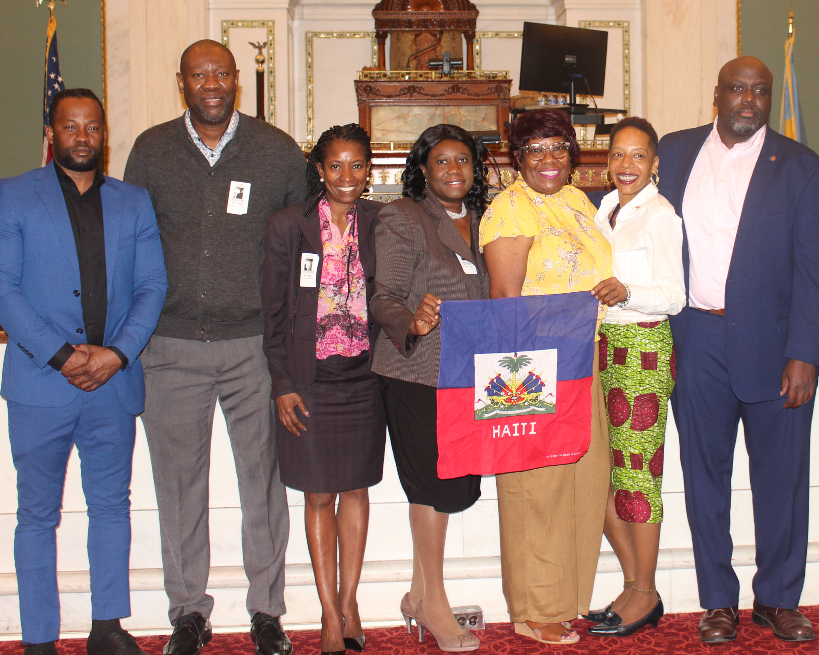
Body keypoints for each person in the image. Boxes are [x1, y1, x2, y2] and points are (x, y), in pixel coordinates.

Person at [123, 39, 308, 655]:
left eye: (221, 72)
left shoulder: (276, 151)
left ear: (236, 79)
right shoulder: (151, 151)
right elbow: (132, 245)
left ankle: (267, 612)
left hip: (253, 347)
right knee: (179, 487)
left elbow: (299, 251)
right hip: (170, 347)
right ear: (182, 82)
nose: (211, 83)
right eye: (199, 74)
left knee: (264, 482)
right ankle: (188, 613)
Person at [0, 88, 168, 655]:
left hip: (113, 384)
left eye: (92, 127)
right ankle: (39, 638)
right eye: (71, 127)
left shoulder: (133, 201)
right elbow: (0, 290)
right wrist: (63, 355)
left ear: (103, 134)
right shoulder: (14, 196)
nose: (82, 136)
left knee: (112, 507)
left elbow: (151, 286)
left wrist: (117, 354)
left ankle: (107, 627)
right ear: (52, 133)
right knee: (37, 514)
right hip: (41, 385)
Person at [657, 56, 819, 644]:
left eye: (760, 91)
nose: (749, 100)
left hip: (778, 344)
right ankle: (718, 601)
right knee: (704, 473)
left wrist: (806, 352)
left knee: (781, 477)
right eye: (738, 89)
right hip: (695, 338)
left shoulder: (803, 167)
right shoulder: (675, 153)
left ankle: (778, 598)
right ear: (718, 94)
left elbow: (817, 271)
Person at [480, 108, 612, 646]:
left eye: (558, 146)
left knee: (581, 481)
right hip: (531, 363)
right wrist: (530, 379)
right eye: (535, 149)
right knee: (537, 488)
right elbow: (506, 303)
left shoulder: (578, 202)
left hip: (585, 358)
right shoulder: (511, 207)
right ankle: (535, 607)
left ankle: (564, 598)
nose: (549, 159)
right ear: (517, 157)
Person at [261, 124, 385, 655]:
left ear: (369, 171)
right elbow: (272, 316)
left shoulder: (382, 222)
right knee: (318, 495)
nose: (347, 177)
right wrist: (282, 384)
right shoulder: (289, 226)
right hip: (308, 381)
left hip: (364, 377)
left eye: (357, 165)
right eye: (335, 166)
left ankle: (351, 600)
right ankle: (328, 614)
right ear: (319, 170)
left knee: (356, 490)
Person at [371, 124, 491, 653]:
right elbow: (386, 295)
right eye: (441, 162)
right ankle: (436, 603)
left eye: (462, 161)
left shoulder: (489, 220)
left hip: (474, 375)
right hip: (419, 372)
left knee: (456, 487)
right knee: (433, 486)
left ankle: (418, 595)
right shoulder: (403, 218)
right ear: (422, 169)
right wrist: (413, 322)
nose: (452, 171)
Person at [586, 117, 685, 637]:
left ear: (654, 164)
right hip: (602, 348)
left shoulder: (661, 217)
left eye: (638, 156)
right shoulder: (606, 207)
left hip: (642, 346)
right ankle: (634, 583)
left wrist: (627, 292)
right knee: (602, 474)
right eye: (618, 155)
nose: (627, 165)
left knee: (638, 476)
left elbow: (675, 295)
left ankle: (644, 592)